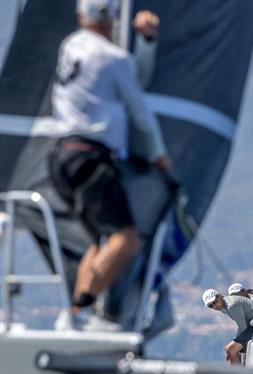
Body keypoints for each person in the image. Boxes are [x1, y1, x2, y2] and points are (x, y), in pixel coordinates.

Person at [49, 0, 171, 319]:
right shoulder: (114, 58)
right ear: (114, 20)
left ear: (79, 15)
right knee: (126, 240)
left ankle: (75, 315)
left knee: (98, 240)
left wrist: (142, 45)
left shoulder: (70, 45)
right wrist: (159, 154)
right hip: (91, 158)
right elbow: (140, 105)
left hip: (60, 157)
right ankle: (79, 309)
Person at [203, 288, 253, 374]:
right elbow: (242, 327)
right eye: (210, 306)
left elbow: (243, 327)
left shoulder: (232, 305)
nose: (214, 306)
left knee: (230, 349)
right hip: (252, 326)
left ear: (219, 296)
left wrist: (237, 343)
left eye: (214, 302)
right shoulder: (223, 307)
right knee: (229, 350)